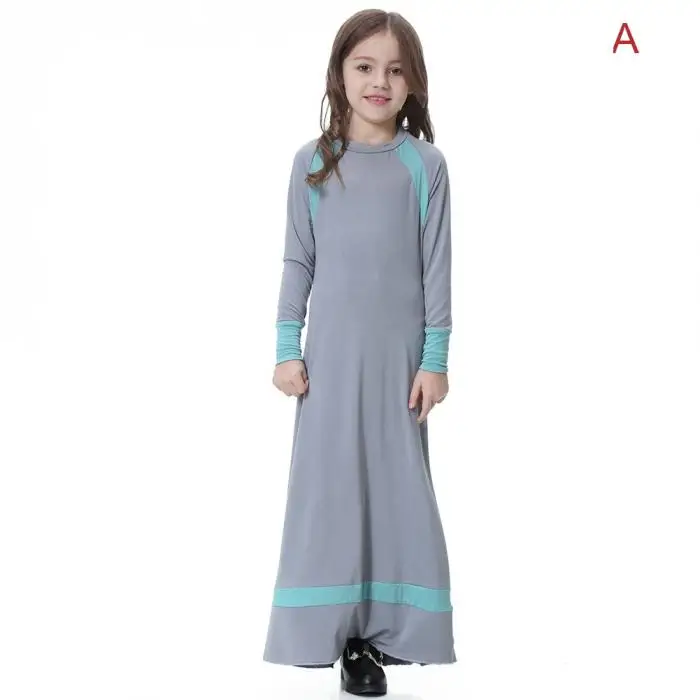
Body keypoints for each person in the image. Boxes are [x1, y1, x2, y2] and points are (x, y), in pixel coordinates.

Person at [263, 8, 455, 696]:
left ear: (414, 82)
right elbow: (298, 259)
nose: (380, 81)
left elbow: (436, 267)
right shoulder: (313, 164)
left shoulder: (424, 166)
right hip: (331, 363)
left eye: (395, 70)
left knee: (398, 489)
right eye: (365, 66)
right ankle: (332, 630)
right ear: (339, 74)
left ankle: (387, 631)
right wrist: (286, 347)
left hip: (399, 364)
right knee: (331, 489)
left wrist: (435, 359)